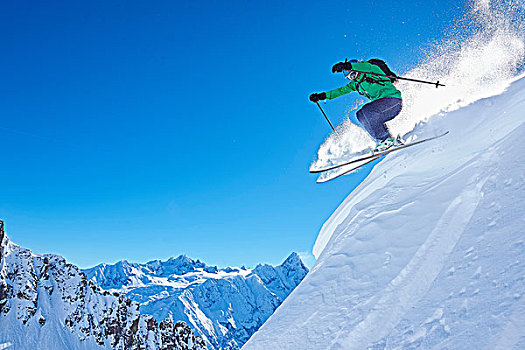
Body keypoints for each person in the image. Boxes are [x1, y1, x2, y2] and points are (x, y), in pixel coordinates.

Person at [310, 59, 403, 152]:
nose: (352, 78)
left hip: (393, 102)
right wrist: (322, 96)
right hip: (381, 108)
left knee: (367, 111)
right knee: (360, 115)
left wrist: (346, 66)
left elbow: (364, 66)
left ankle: (385, 139)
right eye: (350, 77)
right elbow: (340, 91)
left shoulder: (371, 70)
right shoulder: (356, 84)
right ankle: (386, 140)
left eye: (353, 74)